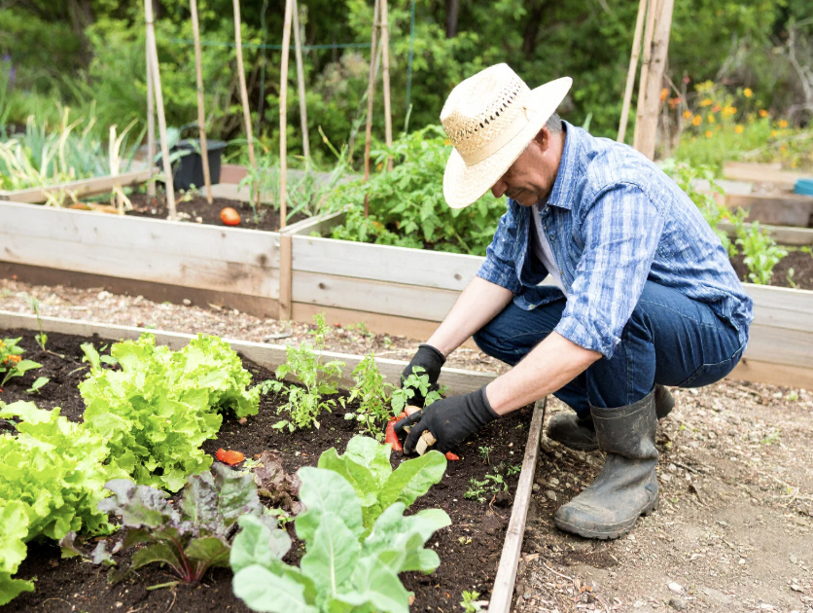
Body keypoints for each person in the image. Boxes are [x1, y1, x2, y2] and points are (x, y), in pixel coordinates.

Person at [394, 64, 753, 540]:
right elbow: (499, 274)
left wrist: (477, 407)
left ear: (541, 137)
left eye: (500, 172)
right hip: (630, 313)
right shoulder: (532, 190)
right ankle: (616, 407)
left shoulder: (614, 188)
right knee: (500, 325)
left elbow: (595, 325)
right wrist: (430, 355)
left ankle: (632, 468)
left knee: (620, 312)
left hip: (707, 328)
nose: (498, 188)